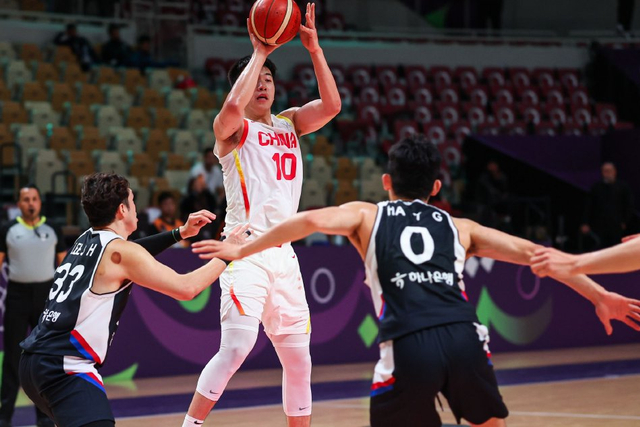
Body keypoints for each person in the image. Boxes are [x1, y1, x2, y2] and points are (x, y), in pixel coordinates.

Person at [194, 134, 640, 427]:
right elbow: (538, 256)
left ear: (387, 181)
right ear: (437, 188)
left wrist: (241, 250)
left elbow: (307, 221)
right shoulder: (461, 227)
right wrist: (599, 294)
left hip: (409, 344)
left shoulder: (367, 215)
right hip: (466, 338)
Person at [182, 4, 341, 427]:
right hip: (244, 249)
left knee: (299, 361)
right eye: (256, 80)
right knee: (236, 348)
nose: (264, 85)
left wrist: (314, 49)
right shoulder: (233, 131)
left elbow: (332, 105)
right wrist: (259, 53)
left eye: (269, 79)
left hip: (284, 255)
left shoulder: (290, 123)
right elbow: (230, 111)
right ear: (243, 86)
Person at [18, 173, 245, 427]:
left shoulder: (87, 239)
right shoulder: (120, 252)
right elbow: (187, 288)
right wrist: (227, 253)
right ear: (122, 209)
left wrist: (180, 233)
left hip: (33, 360)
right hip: (65, 367)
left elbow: (135, 252)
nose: (137, 207)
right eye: (133, 200)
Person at [0, 185, 66, 427]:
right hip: (17, 296)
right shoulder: (8, 229)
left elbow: (65, 266)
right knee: (12, 357)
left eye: (34, 199)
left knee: (44, 356)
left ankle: (45, 416)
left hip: (45, 297)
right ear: (18, 204)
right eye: (26, 199)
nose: (30, 203)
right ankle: (4, 415)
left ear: (40, 203)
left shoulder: (53, 228)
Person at [580, 162, 634, 249]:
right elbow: (589, 206)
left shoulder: (623, 187)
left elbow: (628, 206)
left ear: (614, 172)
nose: (608, 173)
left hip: (616, 225)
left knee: (616, 248)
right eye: (605, 171)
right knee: (600, 248)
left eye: (609, 171)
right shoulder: (596, 187)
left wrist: (625, 221)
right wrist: (585, 222)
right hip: (599, 225)